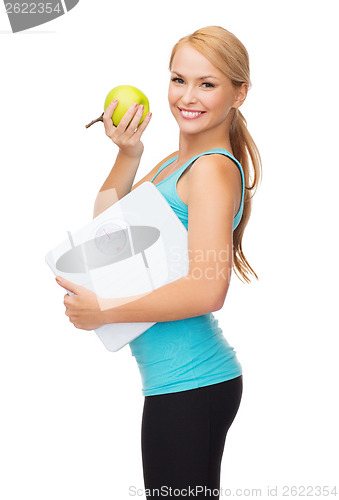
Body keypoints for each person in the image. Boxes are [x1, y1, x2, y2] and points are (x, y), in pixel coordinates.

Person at [95, 25, 262, 499]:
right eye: (178, 79)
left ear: (239, 93)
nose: (187, 96)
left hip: (192, 384)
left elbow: (209, 289)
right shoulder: (175, 162)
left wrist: (105, 310)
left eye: (207, 83)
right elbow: (109, 228)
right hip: (177, 385)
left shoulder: (211, 169)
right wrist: (129, 154)